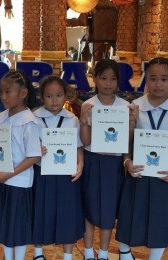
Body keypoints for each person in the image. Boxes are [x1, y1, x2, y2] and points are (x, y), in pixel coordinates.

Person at [79, 59, 134, 260]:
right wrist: (84, 121)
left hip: (113, 165)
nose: (108, 83)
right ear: (95, 79)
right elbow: (85, 141)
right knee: (89, 206)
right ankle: (87, 251)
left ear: (119, 81)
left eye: (113, 79)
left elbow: (127, 142)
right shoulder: (88, 105)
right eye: (103, 78)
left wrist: (131, 123)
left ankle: (103, 252)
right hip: (92, 161)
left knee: (108, 209)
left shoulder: (126, 106)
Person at [116, 57, 168, 260]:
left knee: (160, 218)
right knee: (129, 213)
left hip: (163, 177)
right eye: (153, 78)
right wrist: (126, 161)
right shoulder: (134, 107)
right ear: (146, 79)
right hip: (137, 173)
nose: (158, 84)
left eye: (164, 79)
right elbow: (126, 142)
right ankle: (124, 251)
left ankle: (155, 256)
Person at [0, 71, 42, 260]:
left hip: (18, 182)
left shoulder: (30, 122)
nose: (3, 97)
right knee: (4, 224)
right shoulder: (2, 117)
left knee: (16, 226)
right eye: (1, 92)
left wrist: (9, 174)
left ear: (23, 93)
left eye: (8, 92)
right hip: (0, 179)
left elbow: (33, 156)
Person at [32, 76, 84, 260]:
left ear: (65, 96)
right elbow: (28, 146)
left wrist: (80, 165)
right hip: (42, 173)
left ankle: (68, 254)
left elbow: (78, 146)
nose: (54, 100)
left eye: (59, 95)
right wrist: (36, 149)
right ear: (41, 96)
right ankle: (38, 253)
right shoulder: (34, 118)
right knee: (40, 211)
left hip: (66, 175)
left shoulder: (72, 119)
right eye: (49, 96)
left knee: (67, 212)